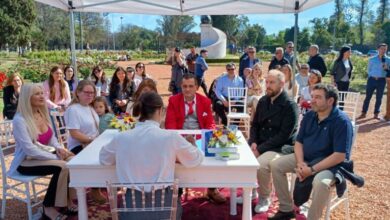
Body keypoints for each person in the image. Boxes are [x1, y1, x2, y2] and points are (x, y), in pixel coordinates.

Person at [99, 92, 204, 220]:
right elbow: (195, 160)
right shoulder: (171, 137)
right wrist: (193, 145)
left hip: (131, 210)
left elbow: (104, 159)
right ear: (160, 110)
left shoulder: (121, 137)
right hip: (165, 211)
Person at [268, 84, 353, 220]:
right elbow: (299, 142)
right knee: (276, 165)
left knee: (321, 183)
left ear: (330, 101)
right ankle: (286, 209)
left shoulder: (341, 121)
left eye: (318, 97)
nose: (312, 100)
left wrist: (311, 170)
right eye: (312, 96)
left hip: (330, 165)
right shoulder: (310, 116)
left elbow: (339, 156)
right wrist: (301, 163)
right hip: (306, 158)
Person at [9, 84, 76, 220]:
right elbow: (29, 150)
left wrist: (59, 148)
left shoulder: (41, 113)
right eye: (37, 94)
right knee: (62, 166)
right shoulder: (19, 120)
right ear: (27, 98)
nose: (42, 96)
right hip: (25, 162)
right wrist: (55, 156)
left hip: (43, 156)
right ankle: (48, 207)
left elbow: (52, 138)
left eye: (41, 93)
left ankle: (67, 201)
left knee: (72, 160)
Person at [165, 74, 223, 203]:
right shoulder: (173, 101)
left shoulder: (205, 101)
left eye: (191, 86)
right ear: (181, 87)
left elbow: (210, 124)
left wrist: (204, 137)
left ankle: (212, 189)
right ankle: (177, 190)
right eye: (184, 86)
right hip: (180, 139)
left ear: (196, 87)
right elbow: (170, 125)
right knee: (172, 154)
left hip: (199, 139)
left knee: (213, 152)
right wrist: (183, 139)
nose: (187, 89)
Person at [248, 70, 299, 214]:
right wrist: (253, 142)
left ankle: (265, 197)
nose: (268, 86)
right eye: (267, 82)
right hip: (261, 142)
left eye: (272, 82)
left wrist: (259, 148)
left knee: (261, 163)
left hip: (280, 147)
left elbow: (283, 136)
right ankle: (250, 192)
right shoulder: (264, 100)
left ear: (282, 84)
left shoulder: (290, 106)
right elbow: (255, 124)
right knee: (241, 155)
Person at [64, 80, 105, 203]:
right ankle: (95, 188)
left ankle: (103, 181)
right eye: (86, 92)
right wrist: (92, 140)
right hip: (78, 146)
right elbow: (74, 134)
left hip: (91, 143)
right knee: (102, 156)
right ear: (78, 93)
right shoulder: (73, 110)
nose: (90, 95)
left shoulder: (90, 108)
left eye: (92, 93)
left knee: (110, 151)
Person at [359, 43, 390, 119]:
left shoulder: (388, 60)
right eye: (382, 49)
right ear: (378, 49)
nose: (383, 50)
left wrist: (386, 68)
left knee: (379, 98)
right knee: (367, 97)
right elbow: (368, 70)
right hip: (371, 80)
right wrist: (372, 75)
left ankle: (376, 114)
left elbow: (389, 72)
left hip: (381, 80)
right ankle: (363, 113)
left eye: (385, 49)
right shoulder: (372, 59)